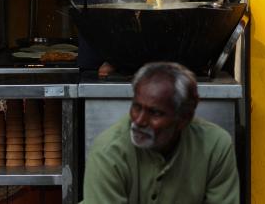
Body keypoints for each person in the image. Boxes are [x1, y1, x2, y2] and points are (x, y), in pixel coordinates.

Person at [82, 62, 240, 204]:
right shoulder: (108, 152)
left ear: (185, 117)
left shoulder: (215, 146)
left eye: (155, 113)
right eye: (137, 107)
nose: (139, 121)